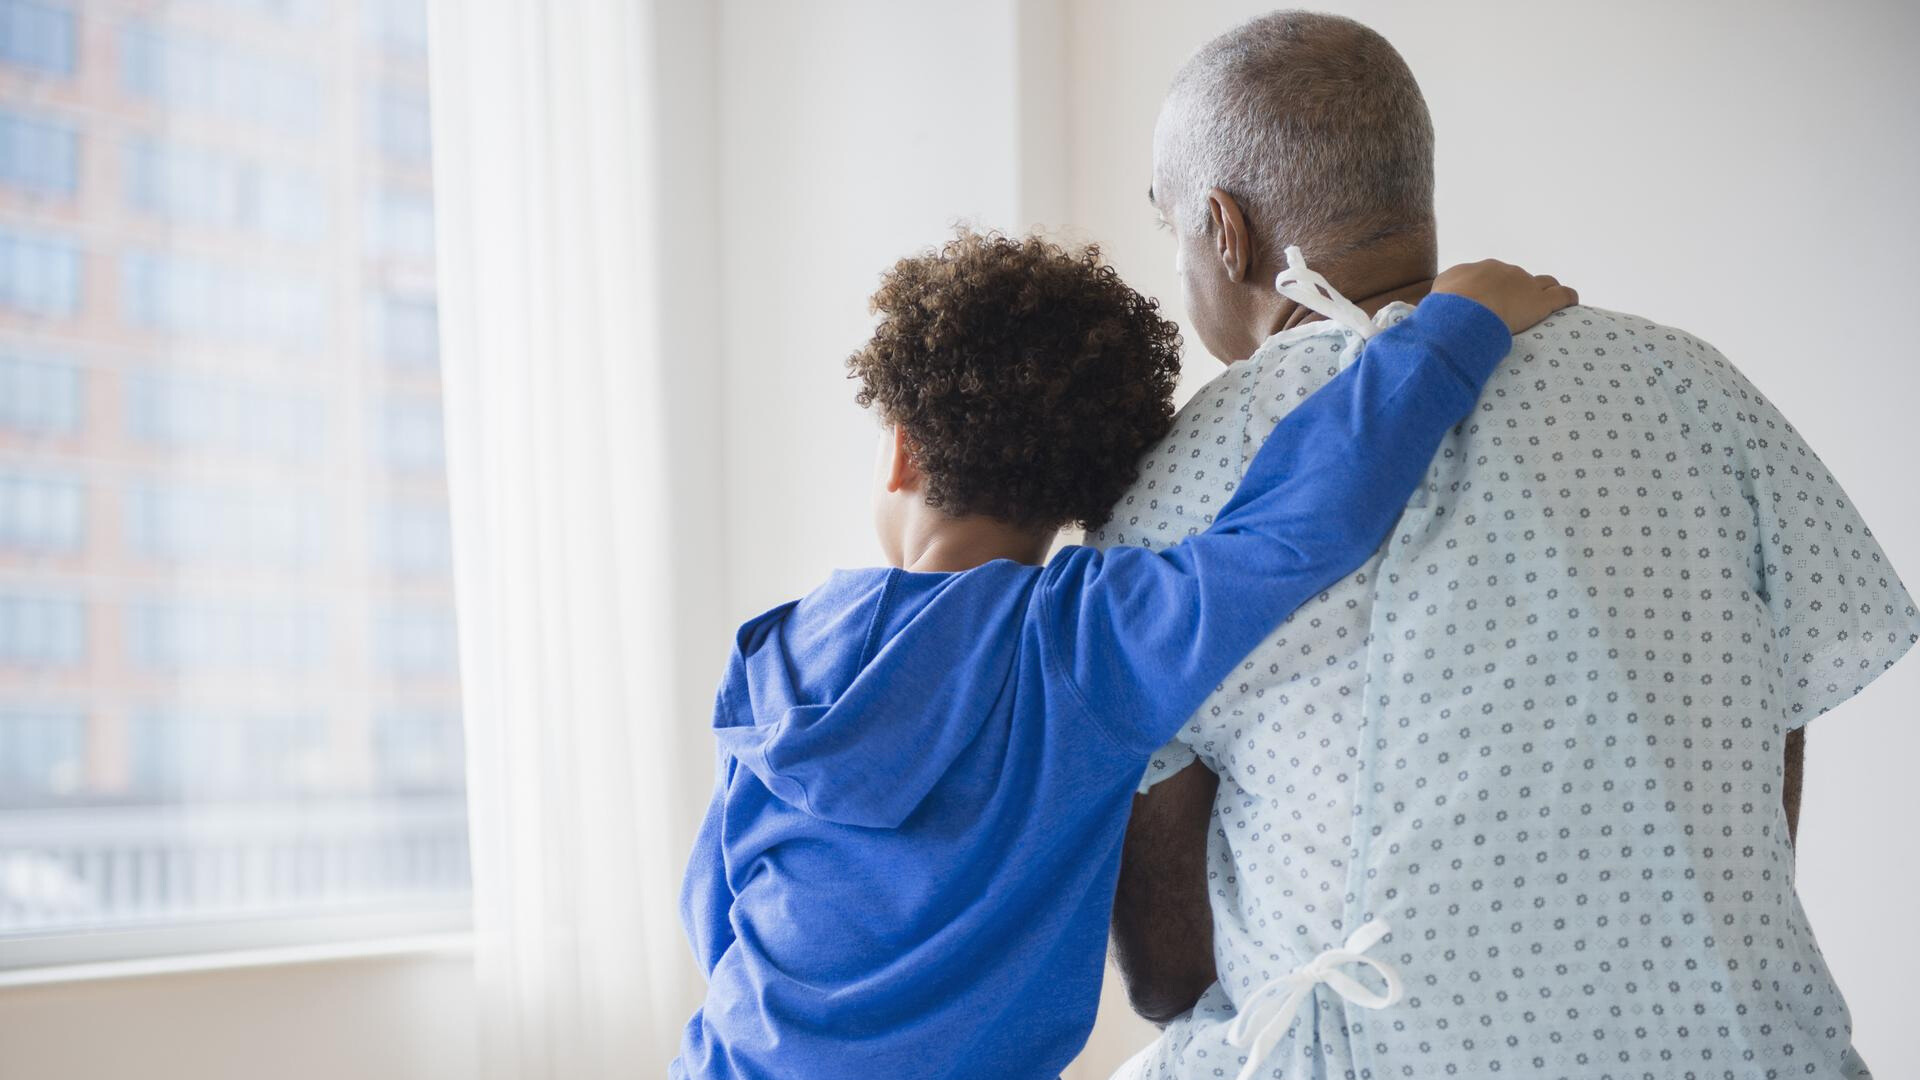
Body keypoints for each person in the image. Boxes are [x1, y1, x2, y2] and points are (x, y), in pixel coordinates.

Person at [1099, 12, 1919, 1080]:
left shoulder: (1181, 476)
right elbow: (1771, 745)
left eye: (1170, 229)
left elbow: (1165, 974)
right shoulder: (1693, 388)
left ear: (1225, 228)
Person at [670, 228, 1572, 1079]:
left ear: (900, 453)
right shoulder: (1081, 640)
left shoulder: (771, 653)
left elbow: (713, 907)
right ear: (1083, 490)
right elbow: (1296, 526)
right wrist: (1453, 329)